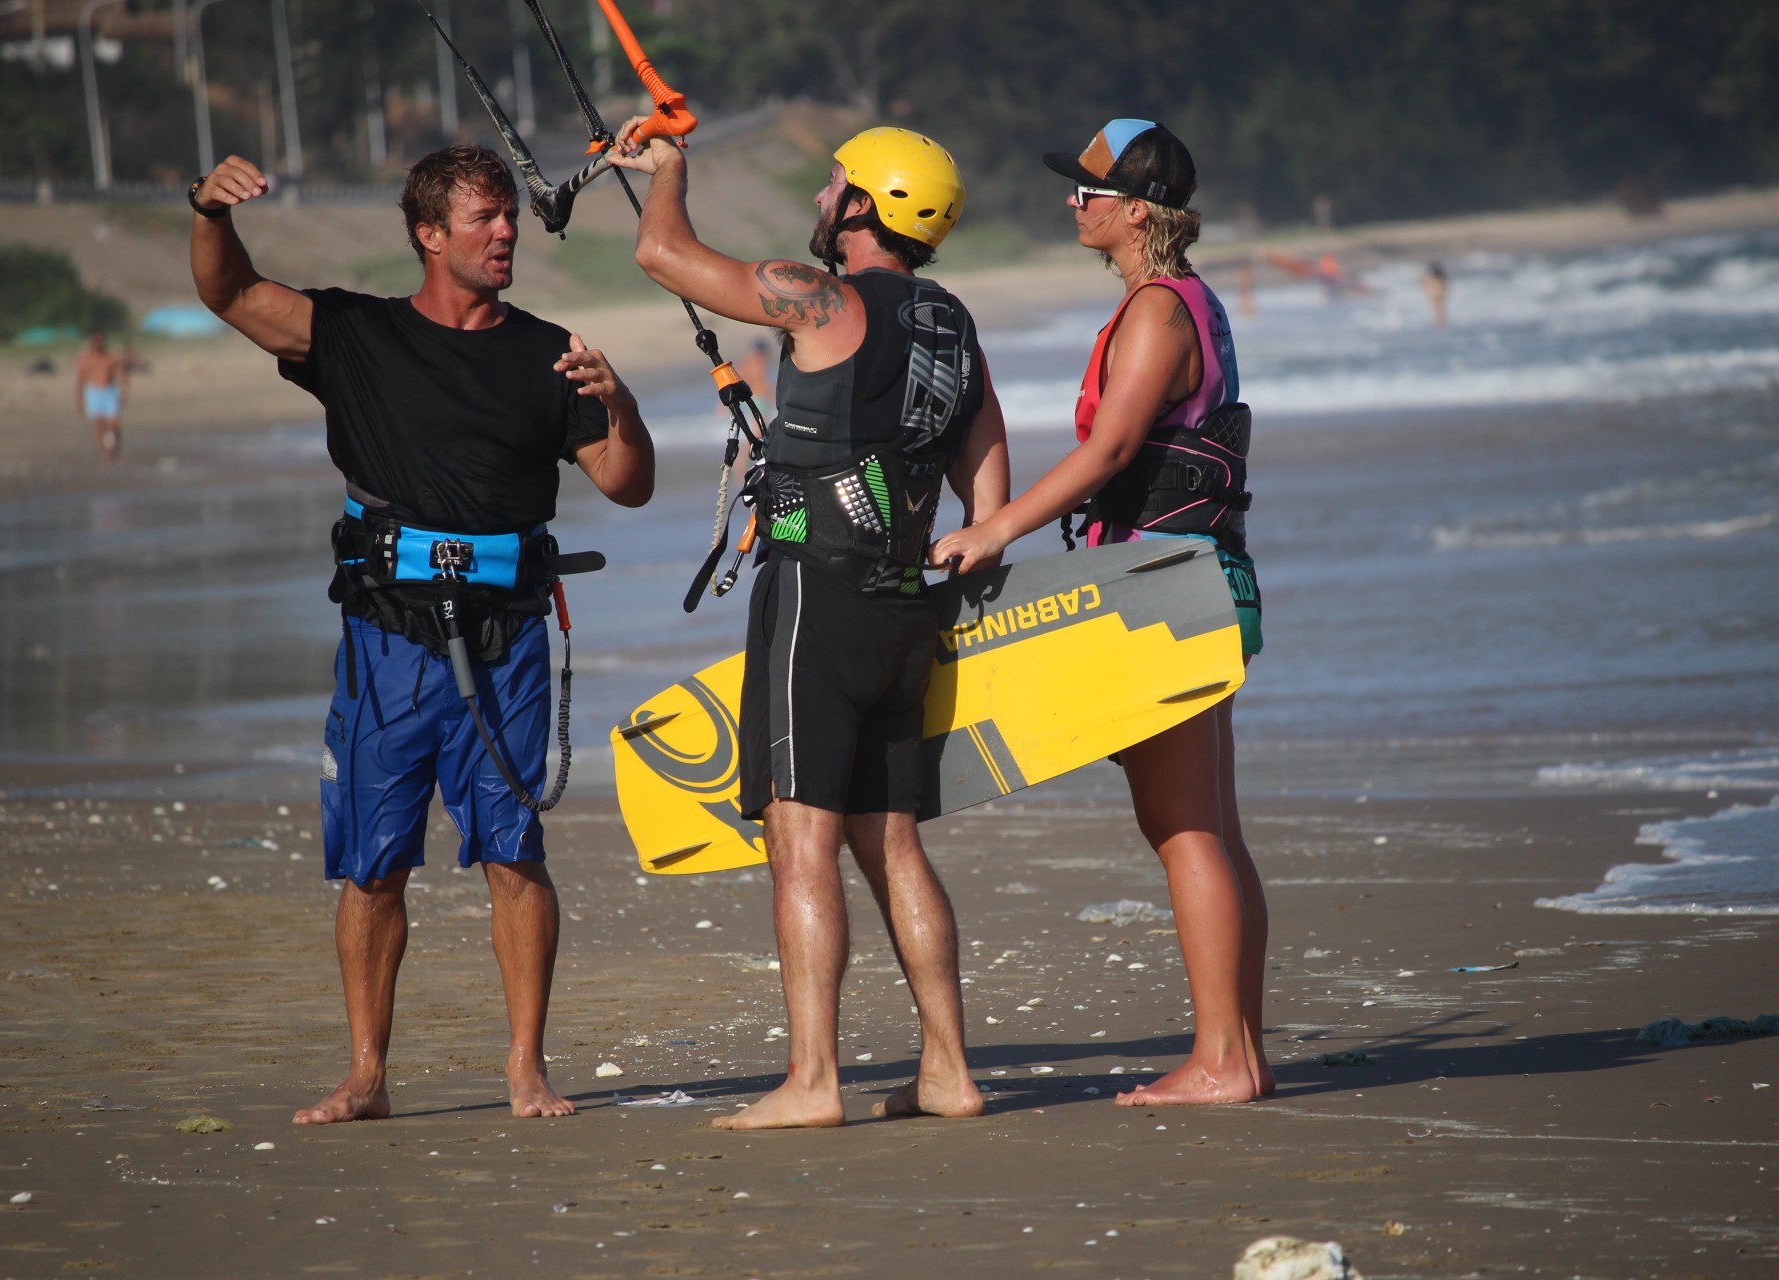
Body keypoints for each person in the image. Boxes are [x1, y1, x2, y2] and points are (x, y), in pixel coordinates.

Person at [189, 144, 654, 1124]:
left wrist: (621, 403)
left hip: (509, 638)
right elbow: (228, 292)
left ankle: (526, 1068)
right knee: (373, 861)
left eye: (509, 221)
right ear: (428, 233)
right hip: (387, 638)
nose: (505, 234)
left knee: (515, 849)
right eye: (484, 219)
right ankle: (366, 1072)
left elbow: (626, 480)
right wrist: (209, 210)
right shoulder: (354, 333)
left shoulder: (547, 350)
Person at [609, 120, 1009, 1129]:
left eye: (836, 183)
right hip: (905, 605)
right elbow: (987, 462)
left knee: (801, 839)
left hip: (815, 599)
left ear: (867, 204)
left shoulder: (821, 293)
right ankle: (950, 1071)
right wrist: (966, 542)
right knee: (895, 840)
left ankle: (814, 1079)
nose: (824, 195)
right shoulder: (953, 323)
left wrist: (671, 173)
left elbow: (662, 254)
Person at [932, 119, 1272, 1105]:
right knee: (1211, 823)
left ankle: (1221, 1059)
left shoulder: (1159, 313)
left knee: (1185, 829)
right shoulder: (1185, 301)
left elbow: (1113, 451)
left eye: (1085, 193)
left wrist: (994, 531)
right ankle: (1238, 1051)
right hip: (1198, 577)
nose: (1071, 205)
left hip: (1166, 589)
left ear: (1134, 211)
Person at [75, 331, 127, 463]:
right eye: (96, 341)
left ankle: (116, 450)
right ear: (92, 342)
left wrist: (123, 391)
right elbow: (80, 380)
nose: (99, 343)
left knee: (114, 424)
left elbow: (121, 373)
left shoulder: (110, 357)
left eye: (101, 340)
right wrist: (79, 400)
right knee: (99, 424)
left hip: (109, 391)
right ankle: (103, 453)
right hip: (93, 393)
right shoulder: (86, 360)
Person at [1423, 260, 1449, 327]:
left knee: (1438, 309)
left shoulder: (1434, 278)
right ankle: (1440, 322)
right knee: (1439, 309)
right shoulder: (1439, 277)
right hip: (1437, 295)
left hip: (1436, 295)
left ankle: (1440, 323)